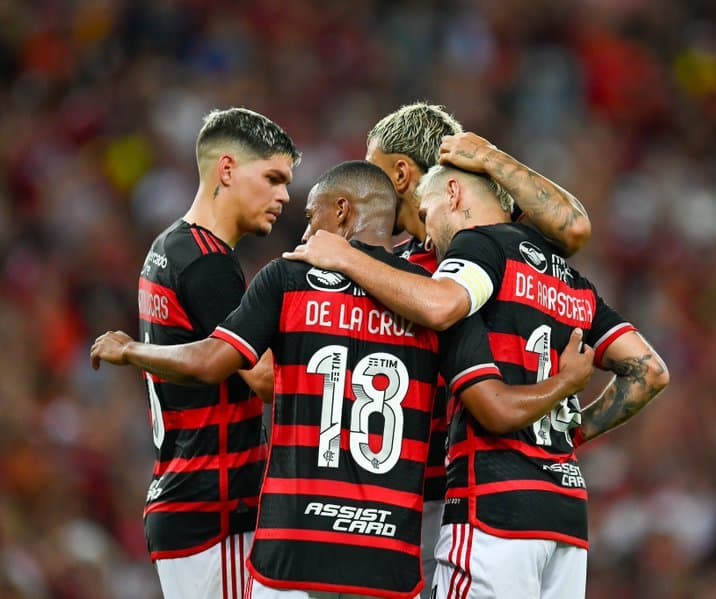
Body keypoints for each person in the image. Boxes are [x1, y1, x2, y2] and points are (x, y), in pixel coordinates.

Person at [92, 161, 596, 599]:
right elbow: (495, 408)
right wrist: (564, 384)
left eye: (311, 217)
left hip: (291, 550)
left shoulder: (286, 279)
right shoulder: (434, 307)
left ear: (341, 212)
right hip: (387, 558)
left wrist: (130, 349)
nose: (306, 233)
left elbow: (210, 363)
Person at [284, 164, 670, 598]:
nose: (427, 237)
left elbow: (443, 311)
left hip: (494, 508)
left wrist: (344, 255)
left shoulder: (477, 245)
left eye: (427, 215)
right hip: (566, 519)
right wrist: (571, 430)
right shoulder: (570, 280)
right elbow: (649, 372)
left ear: (453, 194)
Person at [357, 102, 595, 595]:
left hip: (466, 492)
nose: (365, 184)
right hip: (405, 490)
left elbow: (573, 227)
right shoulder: (388, 267)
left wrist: (488, 157)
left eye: (370, 167)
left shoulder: (492, 248)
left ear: (399, 172)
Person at [129, 107, 300, 599]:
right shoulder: (209, 264)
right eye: (271, 178)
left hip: (183, 498)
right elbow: (266, 380)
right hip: (213, 511)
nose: (284, 196)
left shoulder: (168, 246)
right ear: (227, 170)